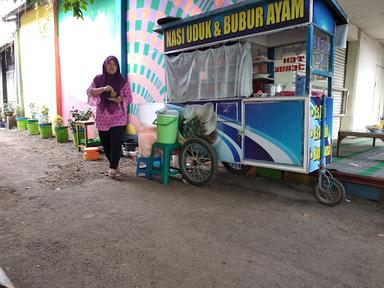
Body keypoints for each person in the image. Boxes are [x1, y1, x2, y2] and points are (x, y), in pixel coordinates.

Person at [87, 56, 132, 178]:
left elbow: (129, 97)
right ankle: (115, 167)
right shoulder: (98, 79)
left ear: (117, 67)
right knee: (106, 144)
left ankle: (112, 169)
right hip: (102, 117)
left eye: (114, 64)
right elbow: (90, 92)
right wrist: (103, 89)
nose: (112, 66)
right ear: (105, 66)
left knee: (116, 143)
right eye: (109, 64)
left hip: (118, 117)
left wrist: (119, 98)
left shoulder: (122, 81)